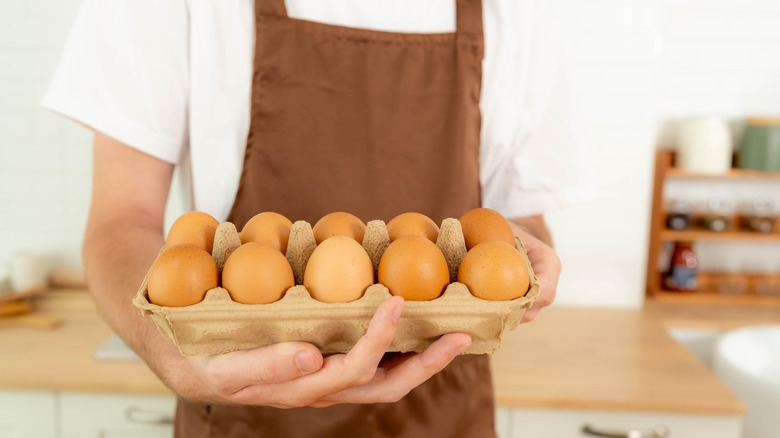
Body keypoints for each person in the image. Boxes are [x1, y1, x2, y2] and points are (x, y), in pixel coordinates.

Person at [45, 0, 593, 436]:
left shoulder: (519, 9)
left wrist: (526, 261)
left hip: (443, 410)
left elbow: (516, 227)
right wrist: (178, 357)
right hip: (247, 412)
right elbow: (120, 219)